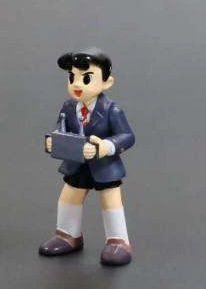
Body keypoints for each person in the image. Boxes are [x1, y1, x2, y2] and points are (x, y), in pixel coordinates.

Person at [42, 47, 136, 266]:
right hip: (77, 163)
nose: (77, 84)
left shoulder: (112, 111)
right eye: (72, 77)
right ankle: (68, 234)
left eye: (86, 79)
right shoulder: (68, 107)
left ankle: (118, 241)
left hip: (104, 166)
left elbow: (127, 136)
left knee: (110, 201)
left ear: (106, 82)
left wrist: (105, 146)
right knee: (69, 197)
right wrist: (53, 141)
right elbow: (61, 128)